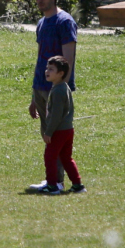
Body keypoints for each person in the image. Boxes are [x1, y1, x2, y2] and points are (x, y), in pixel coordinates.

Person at [27, 0, 77, 188]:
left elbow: (68, 60)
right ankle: (53, 179)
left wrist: (60, 89)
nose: (40, 0)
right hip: (40, 87)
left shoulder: (64, 22)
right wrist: (33, 95)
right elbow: (40, 58)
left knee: (56, 136)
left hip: (55, 90)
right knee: (47, 135)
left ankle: (56, 182)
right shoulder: (41, 23)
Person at [32, 56, 83, 194]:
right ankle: (77, 185)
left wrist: (48, 132)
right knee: (66, 158)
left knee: (50, 157)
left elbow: (56, 114)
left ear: (60, 73)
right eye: (47, 68)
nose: (47, 71)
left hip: (59, 131)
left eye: (51, 69)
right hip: (68, 129)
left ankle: (52, 186)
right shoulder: (62, 87)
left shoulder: (58, 91)